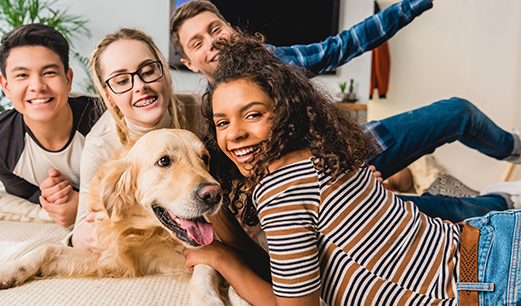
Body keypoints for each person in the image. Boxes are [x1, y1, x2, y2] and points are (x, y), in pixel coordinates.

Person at [184, 33, 521, 306]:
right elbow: (291, 272)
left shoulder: (279, 188)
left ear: (283, 111)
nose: (234, 133)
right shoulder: (321, 151)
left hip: (491, 281)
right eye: (222, 122)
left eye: (253, 114)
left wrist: (222, 260)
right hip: (491, 246)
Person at [170, 0, 521, 222]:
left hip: (351, 146)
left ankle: (513, 149)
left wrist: (410, 5)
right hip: (318, 189)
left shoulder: (281, 60)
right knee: (431, 210)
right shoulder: (215, 117)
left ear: (230, 27)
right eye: (197, 42)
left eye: (215, 28)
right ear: (189, 61)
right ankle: (504, 202)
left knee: (456, 111)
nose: (212, 41)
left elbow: (343, 45)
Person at [68, 29, 270, 280]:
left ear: (165, 74)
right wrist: (83, 235)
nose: (140, 86)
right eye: (122, 81)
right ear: (109, 96)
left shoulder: (207, 112)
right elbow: (82, 225)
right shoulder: (100, 143)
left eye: (148, 71)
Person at [0, 24, 102, 228]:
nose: (37, 87)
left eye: (49, 72)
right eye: (22, 75)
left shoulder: (103, 118)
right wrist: (51, 196)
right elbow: (26, 194)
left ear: (68, 79)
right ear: (6, 86)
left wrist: (83, 204)